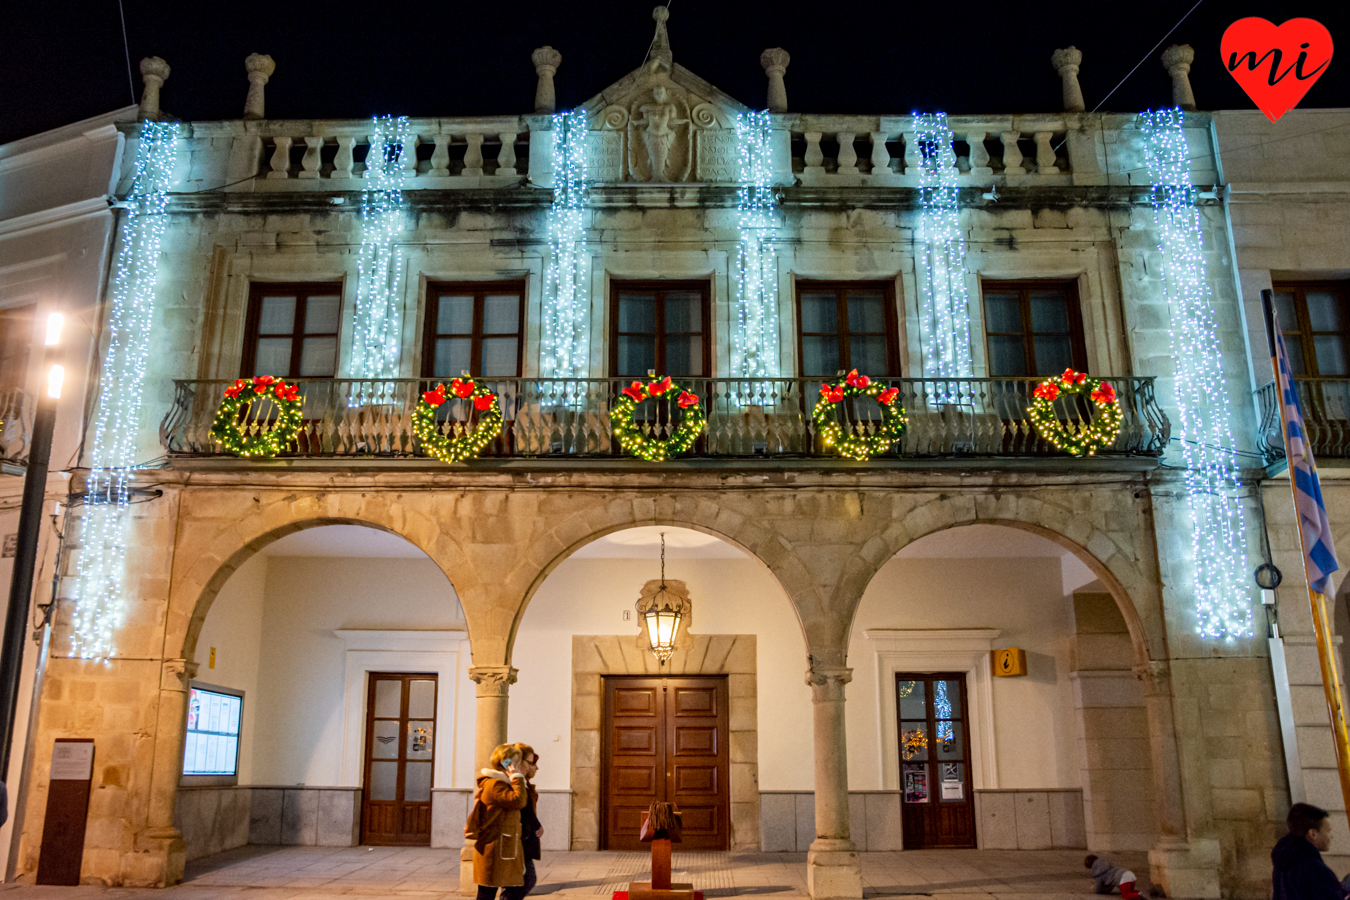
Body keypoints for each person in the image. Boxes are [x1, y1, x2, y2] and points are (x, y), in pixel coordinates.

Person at [466, 744, 529, 900]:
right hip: (494, 849)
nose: (519, 766)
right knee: (486, 894)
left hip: (501, 848)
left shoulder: (501, 784)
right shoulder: (495, 785)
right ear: (505, 763)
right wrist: (517, 777)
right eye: (515, 762)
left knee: (504, 891)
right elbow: (518, 800)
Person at [1272, 802, 1347, 900]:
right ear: (1313, 834)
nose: (1331, 836)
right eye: (1328, 831)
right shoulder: (1315, 870)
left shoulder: (1283, 864)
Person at [514, 743, 543, 900]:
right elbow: (521, 808)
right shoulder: (516, 785)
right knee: (526, 880)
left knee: (524, 881)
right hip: (519, 839)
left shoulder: (524, 785)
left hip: (525, 838)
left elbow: (528, 811)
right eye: (531, 763)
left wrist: (537, 825)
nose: (535, 768)